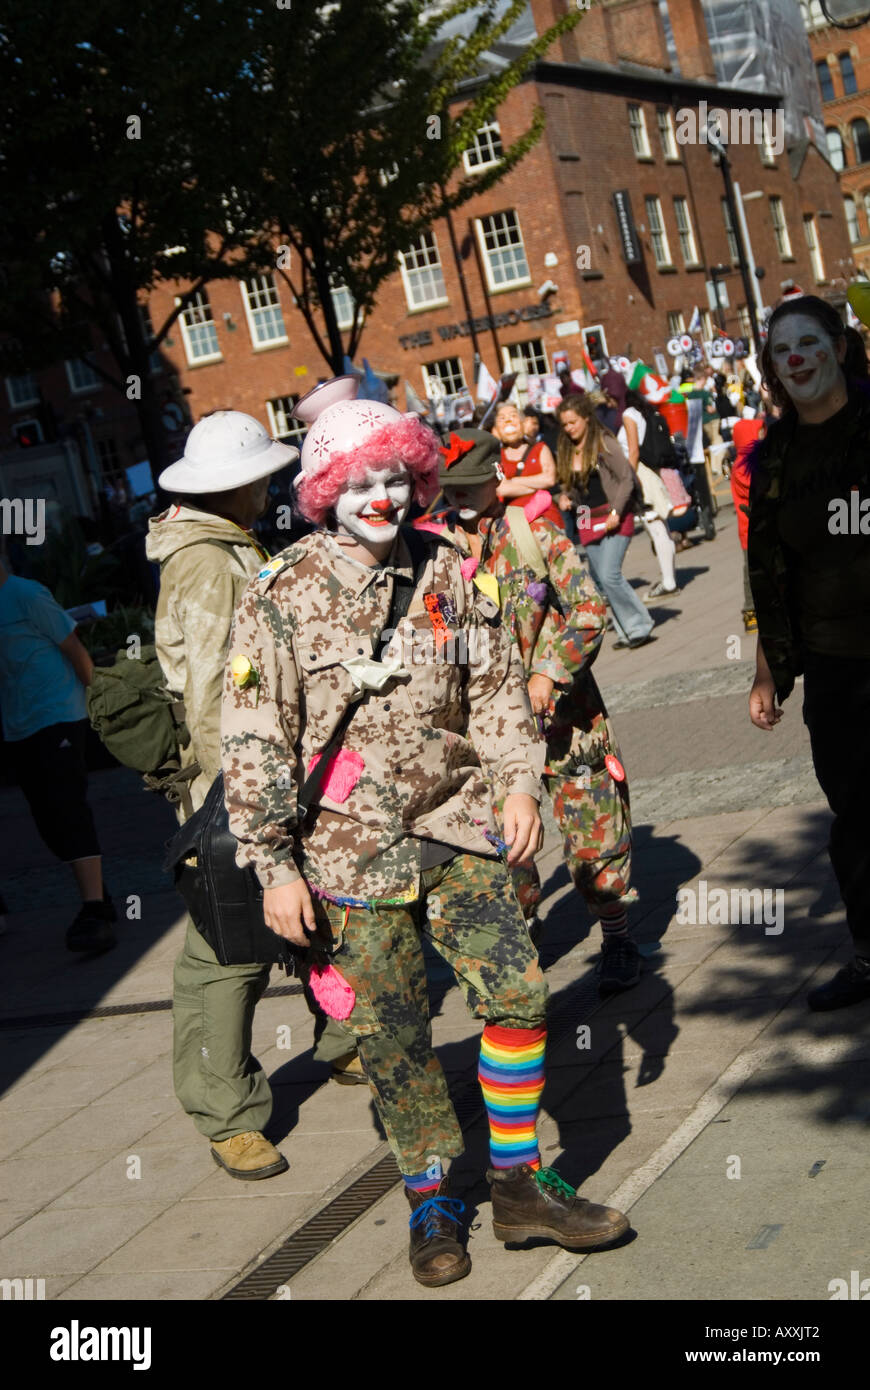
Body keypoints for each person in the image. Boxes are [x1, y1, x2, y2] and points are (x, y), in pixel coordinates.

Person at [221, 377, 629, 1287]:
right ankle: (431, 1198)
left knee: (519, 994)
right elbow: (251, 735)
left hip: (457, 829)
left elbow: (491, 690)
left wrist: (520, 785)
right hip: (346, 852)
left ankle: (521, 1188)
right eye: (359, 482)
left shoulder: (447, 569)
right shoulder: (279, 594)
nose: (382, 497)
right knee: (395, 1033)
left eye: (396, 478)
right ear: (326, 491)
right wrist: (275, 865)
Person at [146, 410, 357, 1186]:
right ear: (236, 484)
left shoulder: (222, 544)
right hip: (235, 784)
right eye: (262, 472)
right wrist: (242, 791)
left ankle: (343, 1042)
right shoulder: (207, 561)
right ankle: (226, 1113)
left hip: (263, 769)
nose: (271, 482)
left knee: (309, 913)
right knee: (224, 949)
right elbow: (211, 690)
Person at [429, 431, 641, 992]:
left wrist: (548, 669)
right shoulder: (434, 553)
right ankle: (524, 951)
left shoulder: (534, 532)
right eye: (452, 489)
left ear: (495, 478)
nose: (462, 498)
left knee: (595, 840)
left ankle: (618, 938)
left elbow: (590, 609)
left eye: (472, 485)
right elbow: (432, 637)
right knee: (505, 851)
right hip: (490, 734)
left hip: (565, 721)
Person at [747, 294, 870, 1011]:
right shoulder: (775, 459)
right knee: (856, 814)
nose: (796, 359)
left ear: (840, 347)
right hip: (834, 666)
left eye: (808, 343)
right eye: (782, 351)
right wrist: (768, 670)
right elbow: (766, 569)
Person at [0, 558, 116, 952]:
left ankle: (94, 910)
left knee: (68, 810)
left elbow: (73, 648)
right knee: (47, 821)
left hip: (59, 716)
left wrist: (98, 705)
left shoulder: (26, 595)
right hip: (18, 726)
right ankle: (99, 893)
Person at [555, 393, 654, 650]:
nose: (569, 428)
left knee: (610, 575)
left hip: (613, 513)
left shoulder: (603, 442)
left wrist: (617, 512)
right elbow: (570, 487)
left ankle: (639, 625)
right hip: (587, 515)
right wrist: (565, 497)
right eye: (565, 424)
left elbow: (626, 479)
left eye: (573, 422)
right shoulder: (566, 449)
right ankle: (625, 631)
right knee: (600, 579)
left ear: (586, 419)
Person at [616, 387, 679, 603]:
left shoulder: (628, 415)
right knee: (661, 527)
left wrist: (628, 481)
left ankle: (669, 582)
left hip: (639, 474)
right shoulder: (643, 412)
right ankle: (669, 578)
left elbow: (633, 450)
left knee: (655, 526)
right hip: (650, 472)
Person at [490, 401, 562, 528]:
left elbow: (549, 479)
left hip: (548, 520)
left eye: (513, 416)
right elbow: (502, 489)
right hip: (516, 525)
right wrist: (539, 486)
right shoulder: (496, 458)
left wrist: (513, 480)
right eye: (502, 418)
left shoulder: (540, 448)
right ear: (496, 429)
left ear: (523, 423)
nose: (508, 421)